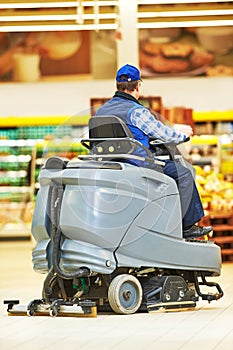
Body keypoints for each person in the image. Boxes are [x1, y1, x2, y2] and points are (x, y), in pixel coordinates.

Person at [95, 63, 212, 239]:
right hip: (139, 166)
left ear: (117, 86)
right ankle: (187, 227)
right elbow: (163, 133)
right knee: (184, 172)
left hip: (112, 166)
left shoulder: (100, 112)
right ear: (137, 86)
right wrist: (182, 134)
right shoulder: (137, 111)